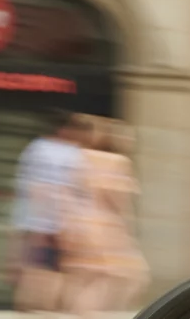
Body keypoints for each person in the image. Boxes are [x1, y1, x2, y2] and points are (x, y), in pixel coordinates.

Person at [61, 115, 150, 319]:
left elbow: (70, 190)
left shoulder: (83, 156)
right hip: (106, 227)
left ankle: (82, 313)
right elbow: (117, 198)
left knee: (86, 279)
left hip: (79, 224)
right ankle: (88, 315)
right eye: (129, 137)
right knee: (134, 276)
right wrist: (129, 227)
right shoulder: (118, 162)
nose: (131, 141)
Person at [8, 109, 89, 313]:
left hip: (41, 221)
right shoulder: (55, 152)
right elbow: (42, 188)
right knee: (43, 274)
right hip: (50, 223)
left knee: (38, 273)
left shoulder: (36, 148)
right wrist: (45, 226)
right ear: (64, 129)